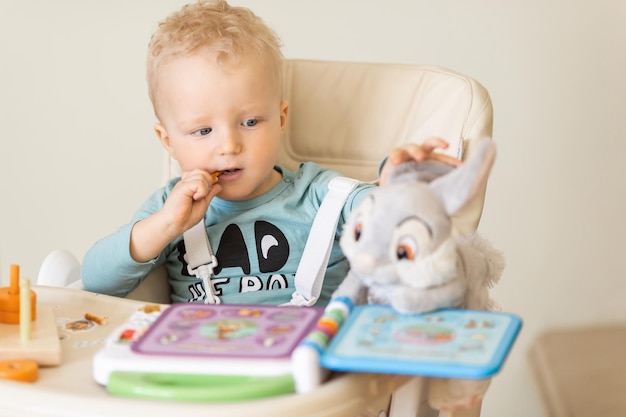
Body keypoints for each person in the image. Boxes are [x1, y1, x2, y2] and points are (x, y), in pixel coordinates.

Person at [81, 0, 459, 305]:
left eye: (250, 122)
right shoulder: (169, 208)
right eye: (203, 130)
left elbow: (390, 220)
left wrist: (399, 184)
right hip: (200, 379)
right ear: (168, 141)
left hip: (306, 381)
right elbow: (96, 281)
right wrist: (165, 225)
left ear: (280, 120)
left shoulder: (319, 195)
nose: (229, 145)